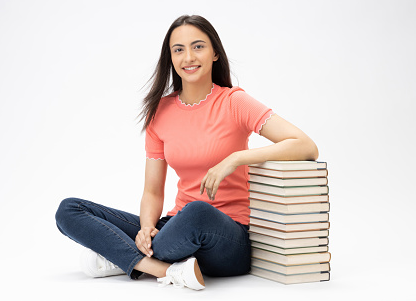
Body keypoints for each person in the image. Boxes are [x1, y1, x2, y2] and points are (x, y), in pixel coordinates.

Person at [55, 15, 319, 290]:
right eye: (178, 50)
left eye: (198, 47)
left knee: (197, 212)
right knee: (69, 209)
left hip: (229, 237)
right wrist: (146, 228)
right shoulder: (160, 111)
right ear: (170, 58)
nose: (188, 57)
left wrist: (236, 158)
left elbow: (305, 145)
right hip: (174, 228)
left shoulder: (234, 102)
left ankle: (120, 256)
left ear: (215, 53)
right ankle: (158, 267)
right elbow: (153, 191)